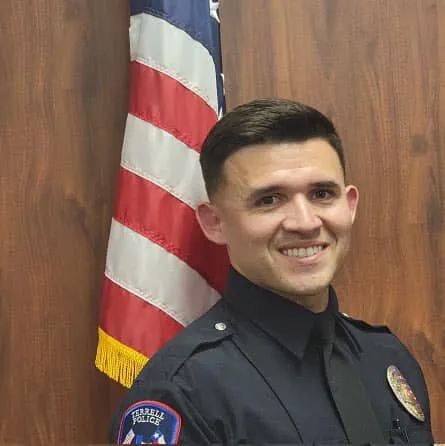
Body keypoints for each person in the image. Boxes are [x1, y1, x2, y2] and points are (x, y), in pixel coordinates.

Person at [109, 99, 434, 444]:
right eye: (269, 200)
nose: (305, 223)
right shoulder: (183, 393)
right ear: (215, 223)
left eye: (322, 194)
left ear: (350, 205)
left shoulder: (386, 357)